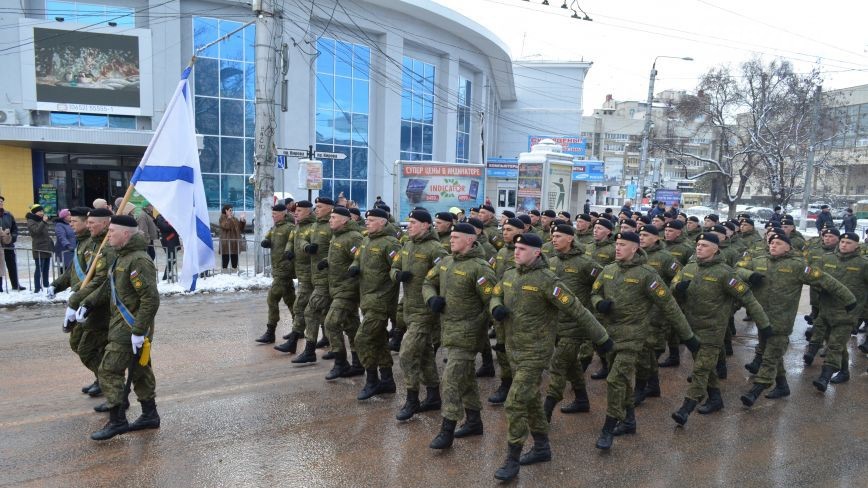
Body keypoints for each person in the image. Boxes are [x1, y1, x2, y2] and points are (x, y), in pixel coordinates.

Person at [490, 232, 611, 481]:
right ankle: (543, 447)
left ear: (537, 253)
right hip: (514, 349)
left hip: (536, 352)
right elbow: (495, 293)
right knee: (532, 400)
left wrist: (602, 339)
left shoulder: (548, 280)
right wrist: (496, 307)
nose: (517, 251)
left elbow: (578, 309)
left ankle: (512, 460)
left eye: (523, 249)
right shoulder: (510, 274)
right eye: (516, 247)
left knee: (515, 402)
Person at [589, 232, 699, 450]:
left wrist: (688, 336)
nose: (617, 248)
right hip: (610, 336)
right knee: (621, 381)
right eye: (616, 244)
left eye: (622, 245)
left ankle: (608, 428)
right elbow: (594, 293)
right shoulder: (608, 270)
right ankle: (629, 420)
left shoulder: (648, 274)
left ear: (635, 248)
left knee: (614, 380)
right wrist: (599, 303)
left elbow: (669, 305)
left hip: (634, 337)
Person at [737, 231, 854, 405]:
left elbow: (824, 280)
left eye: (778, 243)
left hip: (781, 321)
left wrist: (848, 298)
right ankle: (783, 386)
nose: (773, 245)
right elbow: (737, 270)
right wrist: (749, 275)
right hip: (761, 318)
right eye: (771, 243)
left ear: (788, 247)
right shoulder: (760, 261)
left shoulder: (798, 265)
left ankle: (756, 390)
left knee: (770, 356)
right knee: (771, 352)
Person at [669, 232, 770, 425]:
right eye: (698, 244)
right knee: (704, 366)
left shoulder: (725, 273)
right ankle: (715, 399)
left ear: (716, 249)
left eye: (704, 245)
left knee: (700, 370)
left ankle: (686, 408)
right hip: (691, 329)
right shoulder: (689, 267)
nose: (699, 248)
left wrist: (763, 324)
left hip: (713, 331)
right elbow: (673, 286)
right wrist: (678, 289)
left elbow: (747, 297)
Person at [423, 223, 496, 450]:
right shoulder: (446, 262)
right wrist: (431, 298)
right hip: (449, 331)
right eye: (451, 236)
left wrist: (490, 332)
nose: (451, 240)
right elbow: (428, 282)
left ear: (470, 240)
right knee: (466, 379)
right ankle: (474, 421)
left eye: (456, 237)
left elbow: (492, 303)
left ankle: (447, 430)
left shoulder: (481, 269)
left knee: (451, 380)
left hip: (469, 334)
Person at [89, 215, 160, 441]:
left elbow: (150, 299)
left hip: (130, 327)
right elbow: (109, 289)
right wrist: (87, 303)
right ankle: (150, 414)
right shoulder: (121, 257)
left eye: (112, 231)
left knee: (108, 369)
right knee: (140, 370)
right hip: (124, 325)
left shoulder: (138, 260)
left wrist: (139, 331)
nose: (108, 235)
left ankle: (117, 420)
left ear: (126, 234)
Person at [543, 224, 604, 419]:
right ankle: (582, 400)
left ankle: (545, 412)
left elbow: (603, 283)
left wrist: (598, 303)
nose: (554, 239)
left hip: (575, 325)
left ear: (570, 239)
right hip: (555, 323)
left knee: (558, 364)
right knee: (572, 365)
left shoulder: (586, 263)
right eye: (553, 236)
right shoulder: (550, 262)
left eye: (559, 236)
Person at [392, 210, 448, 420]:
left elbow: (444, 279)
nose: (410, 226)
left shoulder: (436, 249)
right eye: (409, 223)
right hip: (408, 308)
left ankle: (412, 398)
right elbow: (395, 266)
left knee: (407, 354)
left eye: (414, 223)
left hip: (425, 312)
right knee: (424, 354)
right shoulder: (406, 245)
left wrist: (435, 301)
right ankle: (433, 396)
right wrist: (397, 274)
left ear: (426, 225)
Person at [350, 207, 401, 400]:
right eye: (367, 220)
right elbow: (357, 259)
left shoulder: (391, 243)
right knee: (379, 339)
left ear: (382, 222)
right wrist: (354, 267)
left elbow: (397, 266)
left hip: (382, 300)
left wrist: (397, 274)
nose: (367, 222)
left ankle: (372, 380)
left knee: (362, 339)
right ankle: (387, 381)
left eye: (371, 220)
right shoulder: (365, 240)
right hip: (367, 298)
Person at [807, 232, 866, 390]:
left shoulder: (863, 264)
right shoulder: (828, 259)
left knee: (834, 345)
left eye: (848, 242)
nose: (844, 245)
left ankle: (824, 377)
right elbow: (817, 278)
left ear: (856, 245)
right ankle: (845, 371)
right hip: (826, 311)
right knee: (837, 344)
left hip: (848, 314)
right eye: (842, 242)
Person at [321, 206, 365, 380]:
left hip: (348, 289)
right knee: (351, 326)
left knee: (331, 323)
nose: (330, 220)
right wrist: (326, 261)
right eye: (330, 217)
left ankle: (340, 363)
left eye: (333, 217)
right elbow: (340, 257)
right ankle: (358, 363)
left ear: (345, 220)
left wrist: (354, 268)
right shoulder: (337, 236)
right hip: (337, 287)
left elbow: (360, 257)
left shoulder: (353, 237)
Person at [294, 196, 335, 362]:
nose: (316, 209)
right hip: (315, 277)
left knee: (312, 311)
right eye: (316, 206)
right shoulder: (315, 225)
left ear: (330, 208)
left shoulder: (333, 226)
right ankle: (333, 347)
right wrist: (305, 246)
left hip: (328, 278)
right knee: (325, 313)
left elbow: (341, 251)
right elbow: (301, 238)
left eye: (320, 206)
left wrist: (327, 262)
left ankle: (340, 354)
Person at [275, 201, 315, 354]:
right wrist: (288, 250)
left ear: (308, 212)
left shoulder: (313, 227)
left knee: (301, 307)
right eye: (295, 210)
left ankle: (295, 341)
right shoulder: (298, 227)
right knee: (314, 309)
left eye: (299, 210)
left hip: (311, 273)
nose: (295, 213)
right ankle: (298, 338)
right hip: (301, 272)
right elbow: (291, 241)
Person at [254, 204, 296, 344]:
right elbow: (268, 236)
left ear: (283, 214)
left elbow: (294, 245)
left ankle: (270, 332)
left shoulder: (289, 228)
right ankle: (298, 328)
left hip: (284, 270)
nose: (273, 216)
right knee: (290, 300)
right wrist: (266, 241)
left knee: (272, 299)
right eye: (272, 214)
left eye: (275, 214)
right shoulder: (275, 227)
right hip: (277, 269)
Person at [25, 205, 54, 293]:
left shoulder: (40, 220)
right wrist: (44, 222)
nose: (42, 213)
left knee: (46, 268)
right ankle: (37, 287)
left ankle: (46, 284)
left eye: (42, 211)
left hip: (47, 247)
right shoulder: (31, 221)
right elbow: (36, 232)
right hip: (39, 248)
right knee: (39, 268)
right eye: (39, 211)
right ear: (34, 212)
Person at [0, 195, 25, 291]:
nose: (1, 203)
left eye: (2, 201)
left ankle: (15, 285)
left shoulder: (8, 215)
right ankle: (0, 287)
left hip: (8, 244)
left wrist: (13, 237)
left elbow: (14, 228)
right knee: (0, 267)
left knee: (12, 266)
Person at [218, 205, 246, 271]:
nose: (231, 211)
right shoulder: (222, 218)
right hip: (226, 242)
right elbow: (226, 226)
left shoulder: (234, 218)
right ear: (226, 210)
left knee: (234, 257)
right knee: (226, 257)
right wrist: (229, 219)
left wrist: (242, 220)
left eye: (232, 210)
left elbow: (240, 228)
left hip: (234, 242)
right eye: (230, 210)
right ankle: (224, 271)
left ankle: (235, 270)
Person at [153, 213, 180, 281]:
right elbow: (165, 227)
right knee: (171, 258)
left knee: (172, 258)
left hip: (173, 240)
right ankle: (165, 276)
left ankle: (167, 274)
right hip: (168, 241)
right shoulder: (160, 217)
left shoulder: (169, 216)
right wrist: (173, 223)